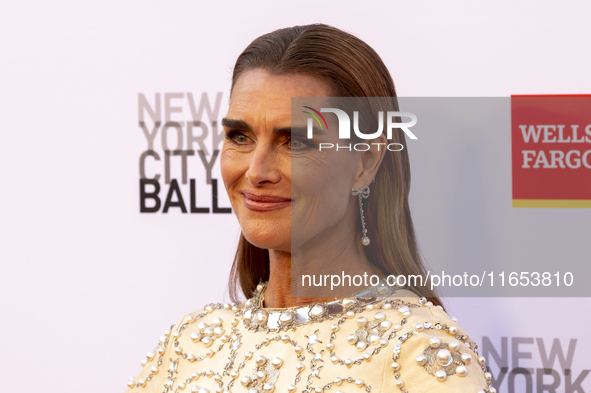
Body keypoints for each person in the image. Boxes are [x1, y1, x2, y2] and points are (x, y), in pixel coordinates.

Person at [125, 24, 494, 393]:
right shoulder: (189, 346)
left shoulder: (419, 353)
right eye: (240, 137)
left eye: (295, 142)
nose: (256, 171)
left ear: (365, 161)